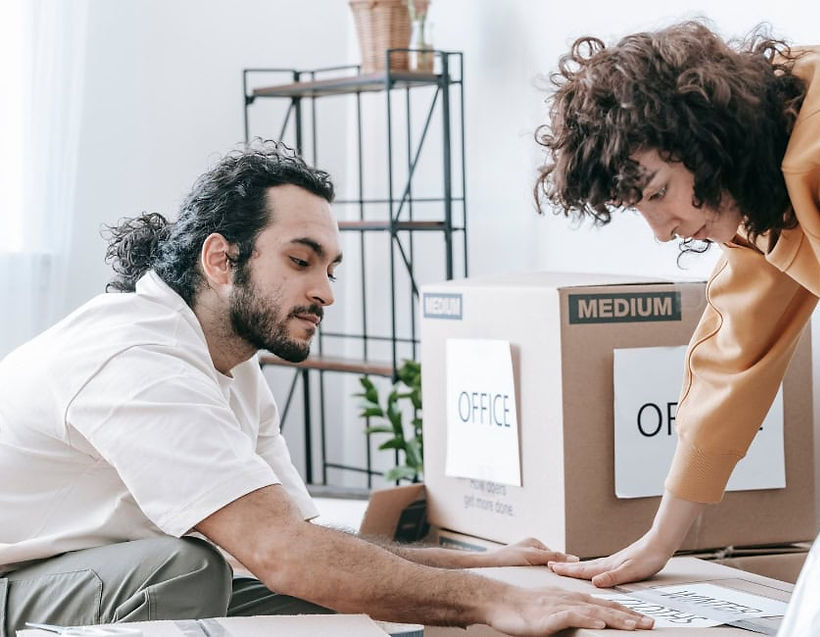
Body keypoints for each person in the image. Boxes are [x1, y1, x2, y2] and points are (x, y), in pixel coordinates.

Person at [0, 143, 653, 636]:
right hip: (16, 589)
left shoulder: (233, 368)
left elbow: (307, 540)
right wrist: (498, 600)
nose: (326, 292)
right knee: (189, 568)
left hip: (95, 568)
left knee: (337, 597)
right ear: (221, 259)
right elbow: (283, 554)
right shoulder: (137, 355)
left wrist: (478, 565)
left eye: (330, 267)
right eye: (300, 260)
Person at [534, 18, 820, 587]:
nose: (661, 232)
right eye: (637, 206)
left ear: (705, 141)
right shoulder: (760, 172)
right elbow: (733, 354)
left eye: (658, 193)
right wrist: (660, 541)